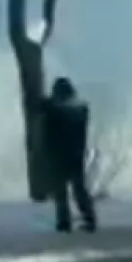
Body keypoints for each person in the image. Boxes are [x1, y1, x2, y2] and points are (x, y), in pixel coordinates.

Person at [42, 77, 97, 233]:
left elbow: (57, 114)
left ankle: (65, 222)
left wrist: (48, 105)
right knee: (77, 189)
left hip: (61, 155)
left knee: (62, 191)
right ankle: (88, 219)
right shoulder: (79, 109)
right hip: (75, 154)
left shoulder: (64, 110)